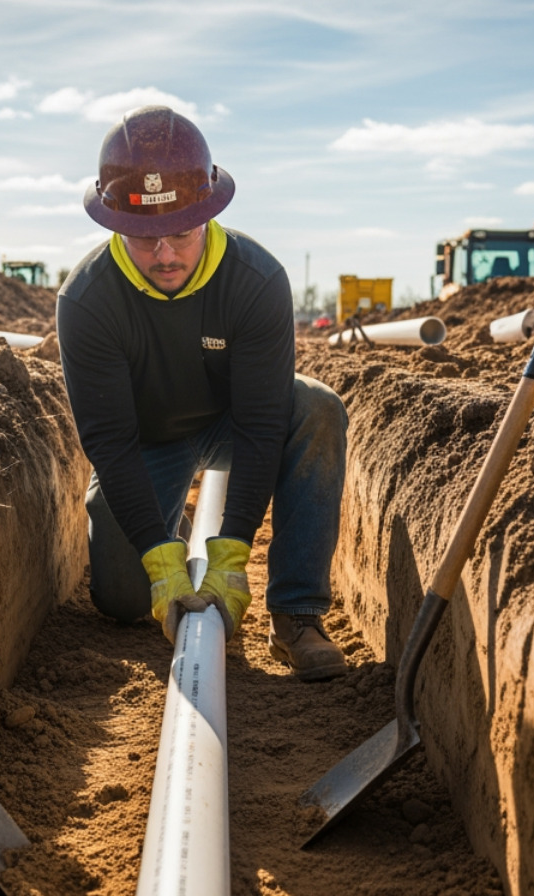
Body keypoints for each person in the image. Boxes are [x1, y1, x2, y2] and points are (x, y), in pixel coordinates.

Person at [56, 105, 349, 681]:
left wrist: (233, 555)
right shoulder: (87, 301)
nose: (164, 254)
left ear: (207, 216)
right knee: (121, 599)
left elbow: (264, 424)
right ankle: (171, 536)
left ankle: (296, 614)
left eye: (181, 233)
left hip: (232, 422)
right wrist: (165, 565)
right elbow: (110, 443)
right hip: (147, 439)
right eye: (144, 236)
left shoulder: (256, 280)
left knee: (315, 408)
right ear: (116, 224)